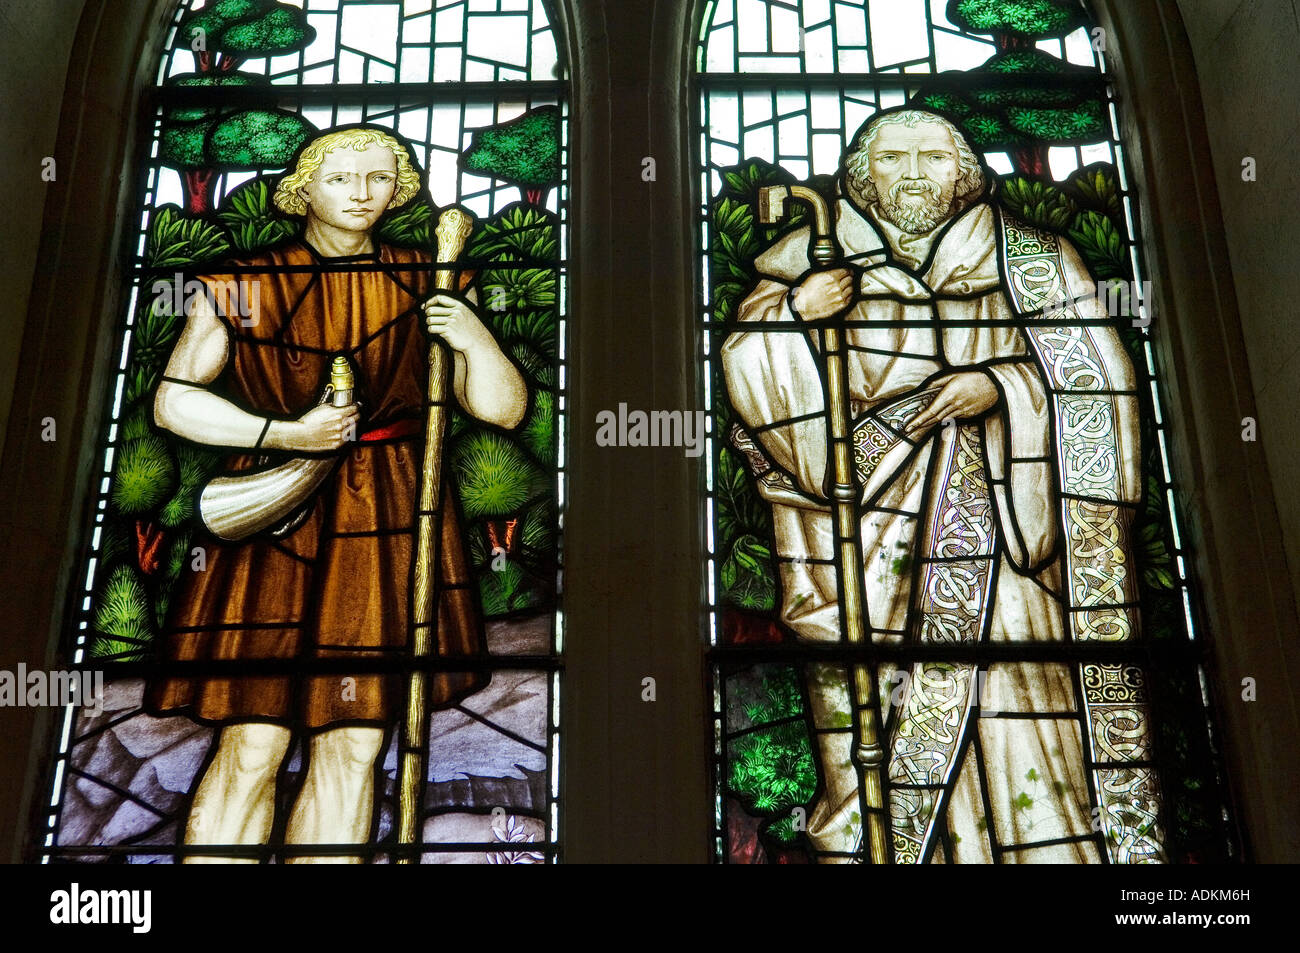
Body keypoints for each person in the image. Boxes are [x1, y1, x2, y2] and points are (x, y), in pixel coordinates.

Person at [721, 108, 1163, 863]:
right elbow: (756, 386)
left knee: (1020, 726)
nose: (915, 173)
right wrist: (798, 313)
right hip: (861, 557)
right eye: (892, 158)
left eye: (932, 156)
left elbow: (1101, 387)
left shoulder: (1035, 263)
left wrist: (998, 389)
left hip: (1011, 555)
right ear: (860, 177)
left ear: (964, 171)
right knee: (864, 739)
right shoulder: (800, 263)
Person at [144, 126, 527, 863]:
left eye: (380, 179)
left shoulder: (430, 277)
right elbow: (173, 400)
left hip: (389, 509)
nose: (361, 193)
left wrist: (474, 337)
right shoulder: (246, 281)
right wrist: (287, 433)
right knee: (255, 732)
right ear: (303, 188)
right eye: (342, 178)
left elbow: (504, 410)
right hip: (270, 508)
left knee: (356, 736)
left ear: (399, 190)